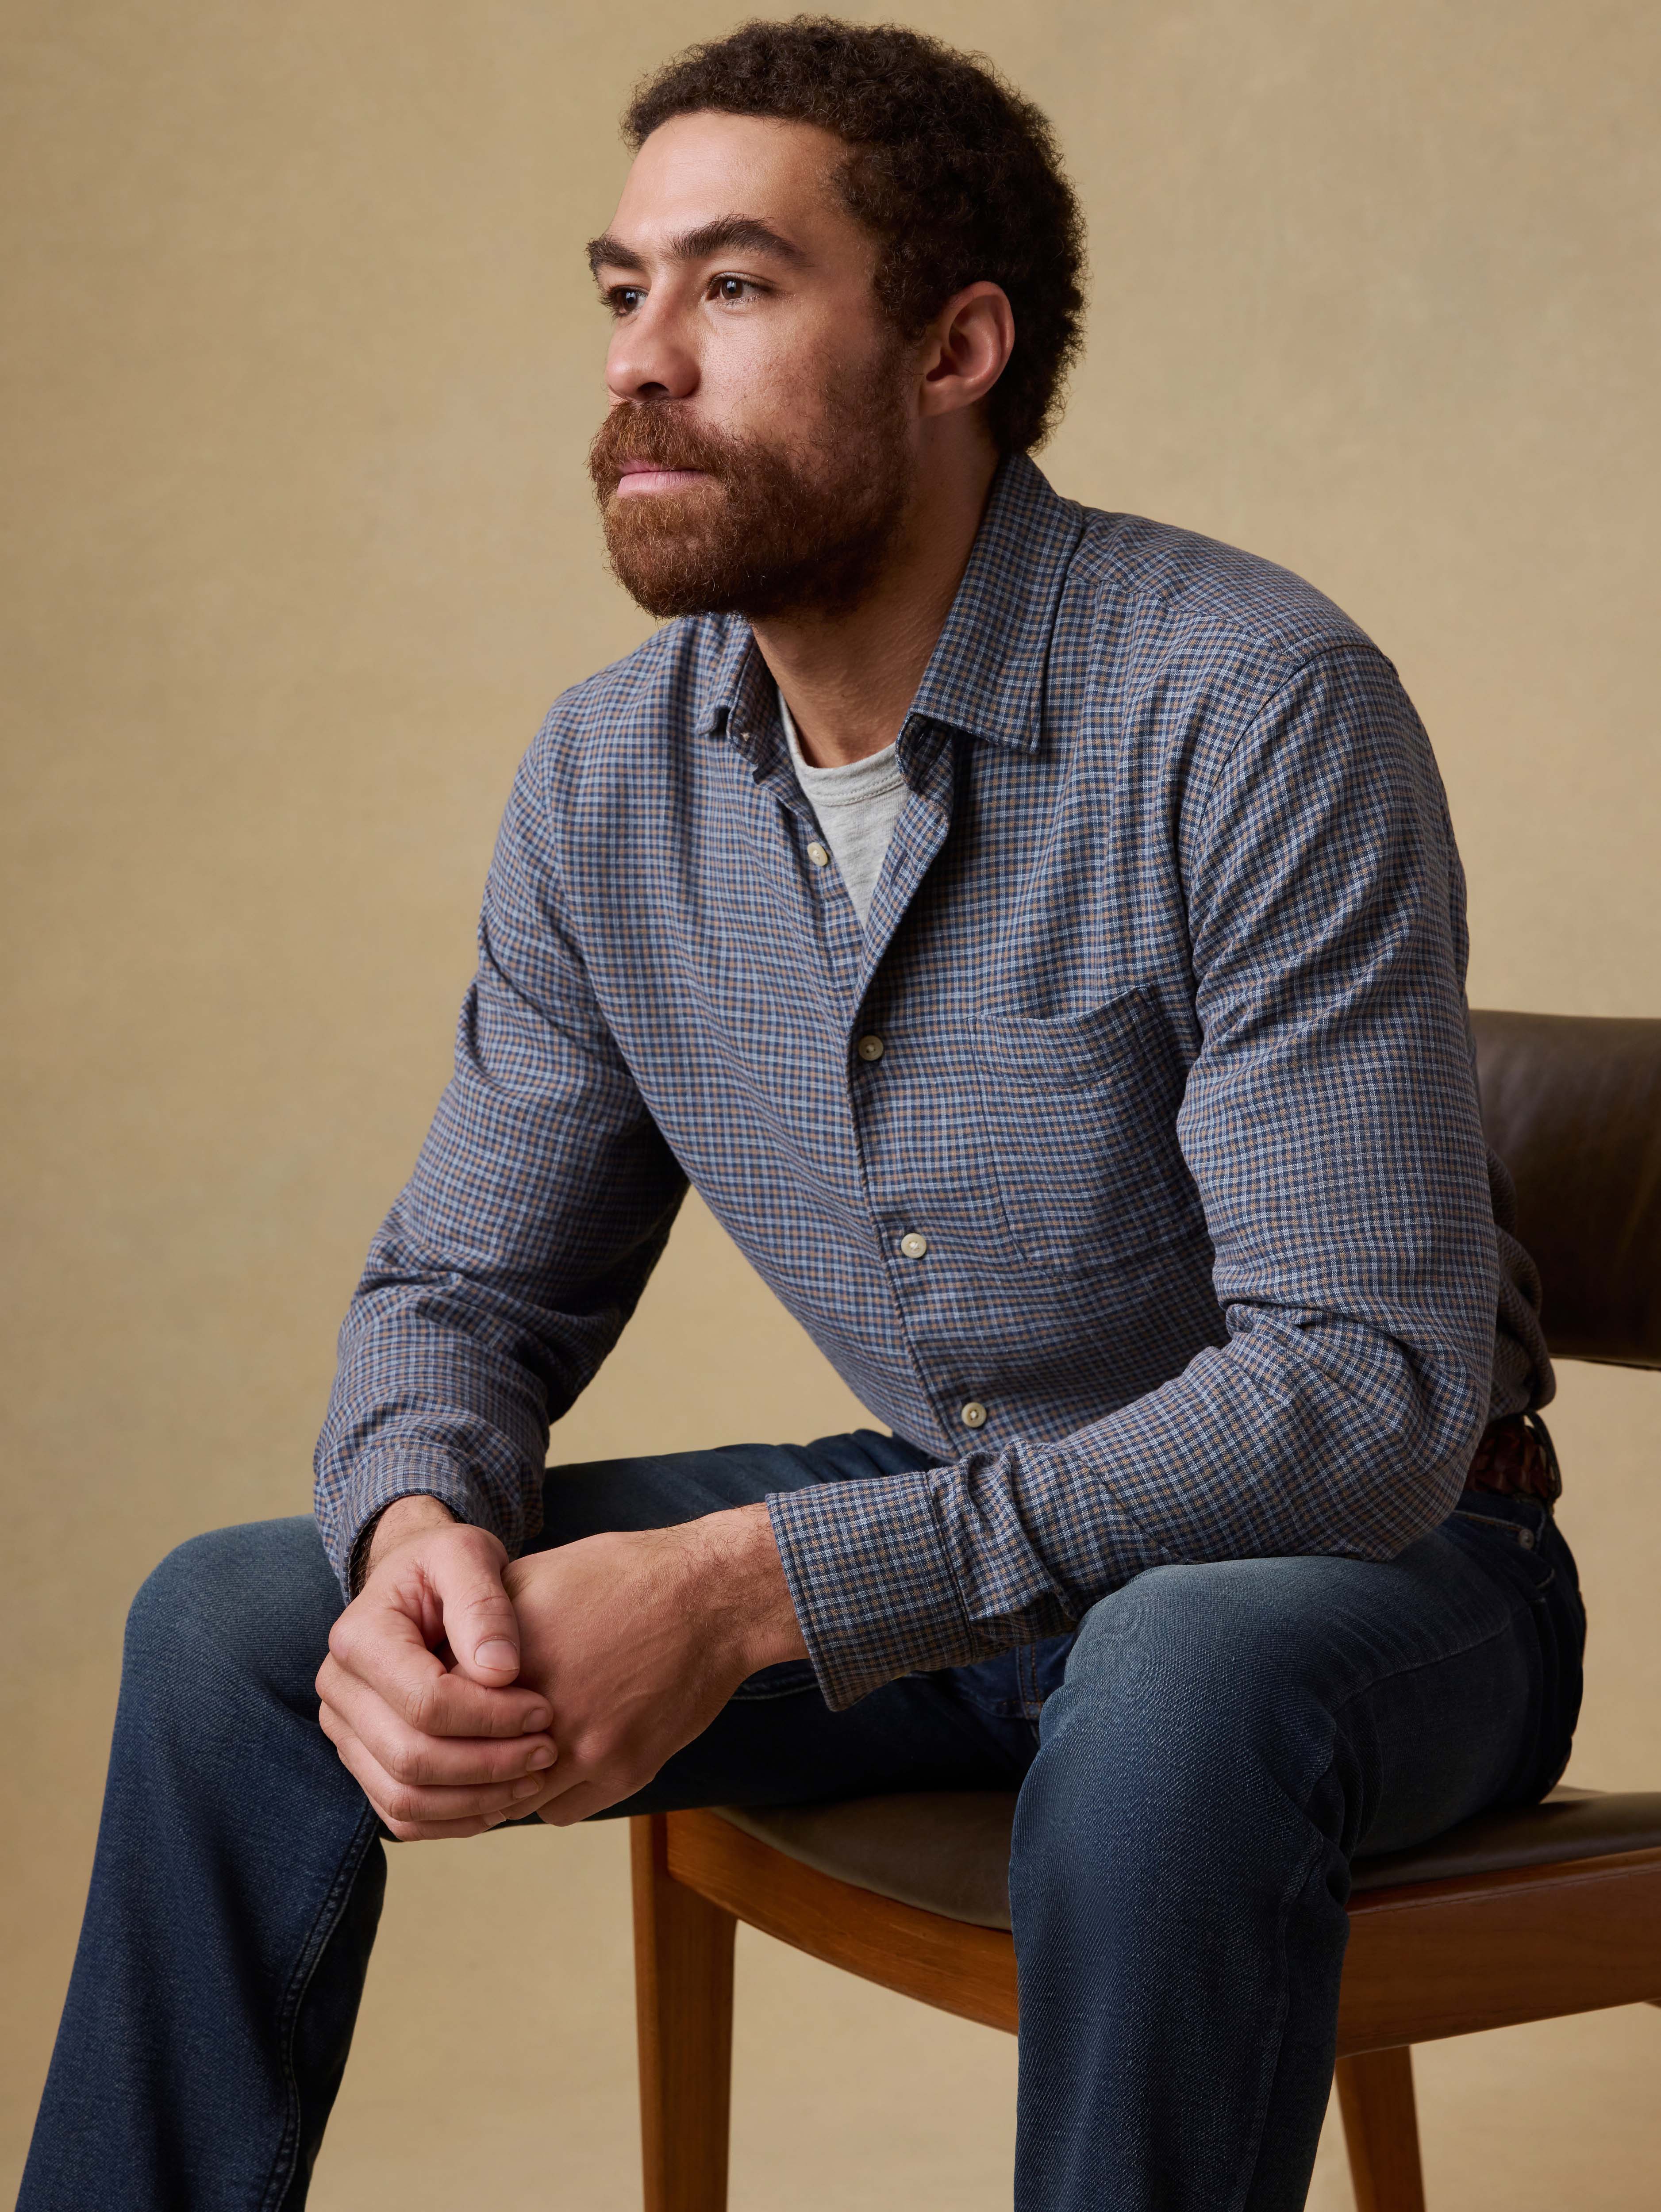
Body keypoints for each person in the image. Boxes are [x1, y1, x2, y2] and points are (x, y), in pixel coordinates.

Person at [20, 18, 1583, 2211]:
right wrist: (421, 1535)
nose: (639, 360)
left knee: (1173, 1682)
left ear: (956, 347)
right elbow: (466, 1284)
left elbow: (1358, 1394)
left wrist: (751, 1590)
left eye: (734, 285)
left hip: (1375, 1579)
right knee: (233, 1627)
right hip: (958, 1554)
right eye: (622, 290)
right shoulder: (608, 779)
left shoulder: (1251, 707)